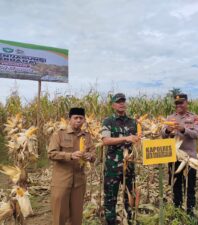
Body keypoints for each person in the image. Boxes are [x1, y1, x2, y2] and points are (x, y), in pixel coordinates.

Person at [48, 107, 96, 225]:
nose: (78, 120)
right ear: (70, 119)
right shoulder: (59, 134)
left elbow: (94, 154)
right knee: (59, 215)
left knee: (76, 217)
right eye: (75, 118)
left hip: (79, 182)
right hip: (61, 182)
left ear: (84, 120)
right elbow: (51, 154)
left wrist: (90, 156)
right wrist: (70, 155)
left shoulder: (87, 136)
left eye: (81, 118)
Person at [101, 93, 140, 225]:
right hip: (113, 166)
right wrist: (125, 138)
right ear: (113, 105)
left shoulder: (133, 122)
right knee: (110, 196)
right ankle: (111, 221)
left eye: (123, 101)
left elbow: (137, 139)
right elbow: (105, 141)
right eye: (118, 102)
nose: (121, 104)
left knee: (130, 194)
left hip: (129, 165)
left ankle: (129, 220)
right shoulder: (108, 121)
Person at [162, 93, 198, 216]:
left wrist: (183, 129)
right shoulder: (170, 117)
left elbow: (197, 134)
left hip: (190, 158)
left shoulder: (194, 117)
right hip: (174, 156)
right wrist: (167, 130)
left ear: (186, 103)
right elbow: (162, 134)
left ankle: (190, 211)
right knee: (176, 184)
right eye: (177, 103)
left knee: (190, 186)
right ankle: (177, 209)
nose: (178, 105)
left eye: (181, 103)